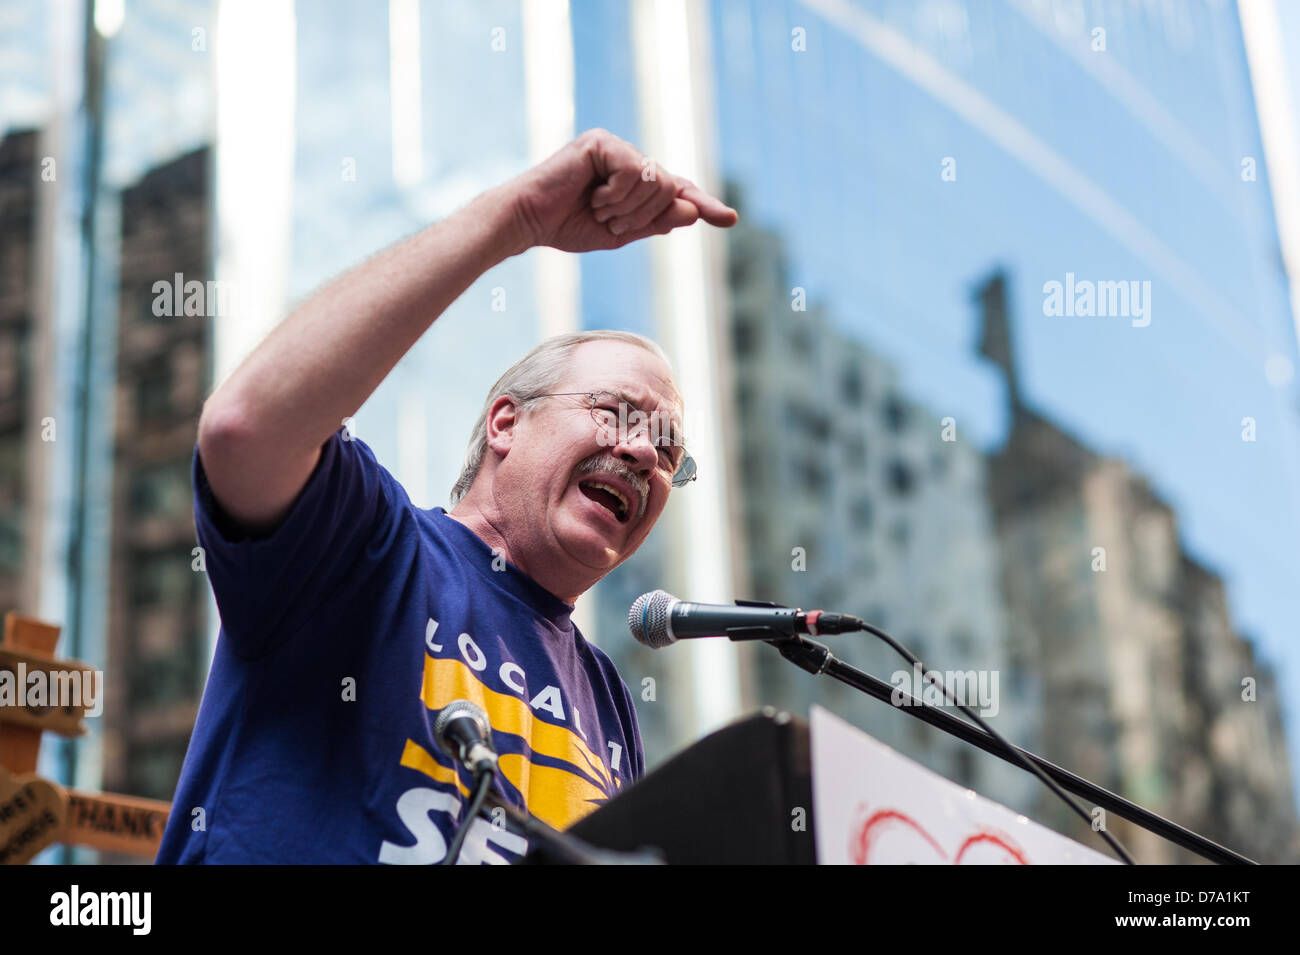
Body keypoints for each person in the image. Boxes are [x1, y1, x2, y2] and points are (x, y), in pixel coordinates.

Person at [154, 129, 739, 864]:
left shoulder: (609, 698)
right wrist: (517, 217)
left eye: (668, 450)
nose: (642, 452)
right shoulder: (368, 543)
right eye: (618, 411)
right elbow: (243, 429)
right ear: (505, 421)